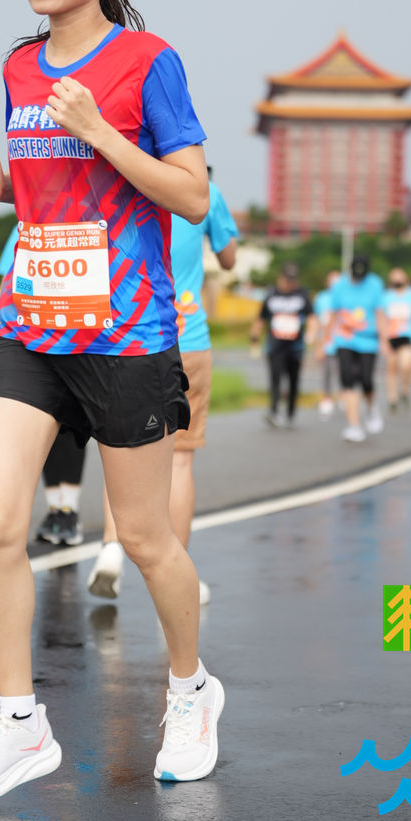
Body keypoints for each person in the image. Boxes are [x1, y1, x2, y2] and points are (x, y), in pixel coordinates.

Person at [0, 0, 223, 798]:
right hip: (30, 325)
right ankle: (20, 724)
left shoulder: (148, 61)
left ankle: (190, 691)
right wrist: (1, 189)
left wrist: (99, 130)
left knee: (143, 538)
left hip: (126, 332)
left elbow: (190, 196)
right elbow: (53, 198)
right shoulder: (18, 66)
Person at [88, 173, 238, 603]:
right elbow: (229, 259)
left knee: (120, 448)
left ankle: (111, 547)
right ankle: (177, 579)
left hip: (125, 336)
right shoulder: (205, 191)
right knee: (181, 461)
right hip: (185, 336)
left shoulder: (118, 180)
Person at [0, 224, 86, 546]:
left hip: (81, 339)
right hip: (33, 340)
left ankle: (69, 509)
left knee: (73, 427)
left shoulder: (85, 221)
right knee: (44, 428)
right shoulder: (25, 224)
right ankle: (55, 509)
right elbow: (7, 285)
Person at [329, 254, 387, 442]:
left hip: (368, 340)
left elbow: (379, 313)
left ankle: (370, 406)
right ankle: (354, 425)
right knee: (347, 380)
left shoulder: (375, 284)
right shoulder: (340, 285)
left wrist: (384, 340)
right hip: (344, 339)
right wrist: (326, 340)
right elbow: (333, 313)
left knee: (366, 380)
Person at [249, 262, 314, 428]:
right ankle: (274, 411)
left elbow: (312, 317)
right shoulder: (271, 295)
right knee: (275, 379)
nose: (290, 283)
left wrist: (311, 334)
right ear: (280, 278)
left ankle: (290, 413)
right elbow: (261, 318)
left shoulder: (302, 295)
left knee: (293, 381)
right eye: (287, 279)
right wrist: (254, 338)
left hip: (295, 347)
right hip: (275, 346)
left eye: (293, 280)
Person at [381, 267, 411, 413]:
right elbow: (381, 318)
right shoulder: (386, 297)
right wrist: (382, 339)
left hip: (407, 336)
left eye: (399, 276)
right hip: (391, 336)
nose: (397, 279)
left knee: (406, 365)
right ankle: (392, 399)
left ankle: (405, 390)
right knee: (391, 369)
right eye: (394, 276)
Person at [313, 269, 341, 419]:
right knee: (326, 372)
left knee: (345, 372)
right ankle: (327, 399)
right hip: (327, 342)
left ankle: (344, 396)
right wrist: (317, 342)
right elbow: (317, 320)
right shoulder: (321, 298)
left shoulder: (346, 297)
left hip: (344, 342)